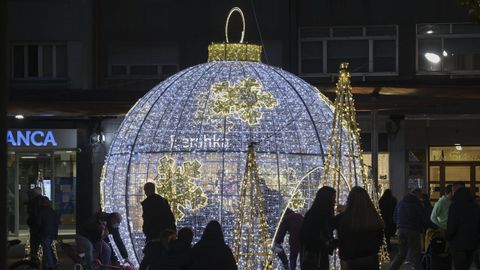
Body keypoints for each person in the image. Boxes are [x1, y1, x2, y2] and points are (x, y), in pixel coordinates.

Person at [335, 186, 384, 270]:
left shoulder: (344, 218)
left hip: (352, 259)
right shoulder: (373, 217)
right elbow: (380, 239)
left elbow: (342, 239)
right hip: (371, 257)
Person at [390, 188, 430, 270]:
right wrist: (425, 227)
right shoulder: (417, 203)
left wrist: (399, 224)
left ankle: (392, 268)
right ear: (417, 193)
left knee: (401, 253)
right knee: (416, 254)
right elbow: (423, 216)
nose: (421, 196)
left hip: (401, 229)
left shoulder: (401, 202)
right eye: (420, 194)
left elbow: (394, 217)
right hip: (413, 229)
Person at [300, 186, 336, 270]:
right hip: (316, 260)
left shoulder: (316, 214)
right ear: (327, 200)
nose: (334, 202)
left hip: (317, 258)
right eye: (333, 199)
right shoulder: (317, 216)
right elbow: (311, 238)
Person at [446, 186, 480, 270]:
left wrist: (448, 237)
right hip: (472, 242)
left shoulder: (454, 206)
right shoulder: (475, 206)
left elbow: (452, 225)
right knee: (467, 266)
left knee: (459, 266)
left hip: (458, 244)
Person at [36, 196, 59, 270]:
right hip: (51, 233)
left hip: (44, 232)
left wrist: (38, 231)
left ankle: (51, 265)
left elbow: (38, 223)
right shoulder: (52, 211)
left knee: (47, 249)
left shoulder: (41, 211)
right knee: (47, 248)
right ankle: (46, 265)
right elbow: (56, 223)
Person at [26, 187, 43, 261]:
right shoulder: (45, 200)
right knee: (45, 244)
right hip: (43, 226)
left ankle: (33, 259)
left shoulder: (32, 201)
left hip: (35, 226)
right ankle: (49, 261)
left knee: (34, 244)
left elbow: (30, 213)